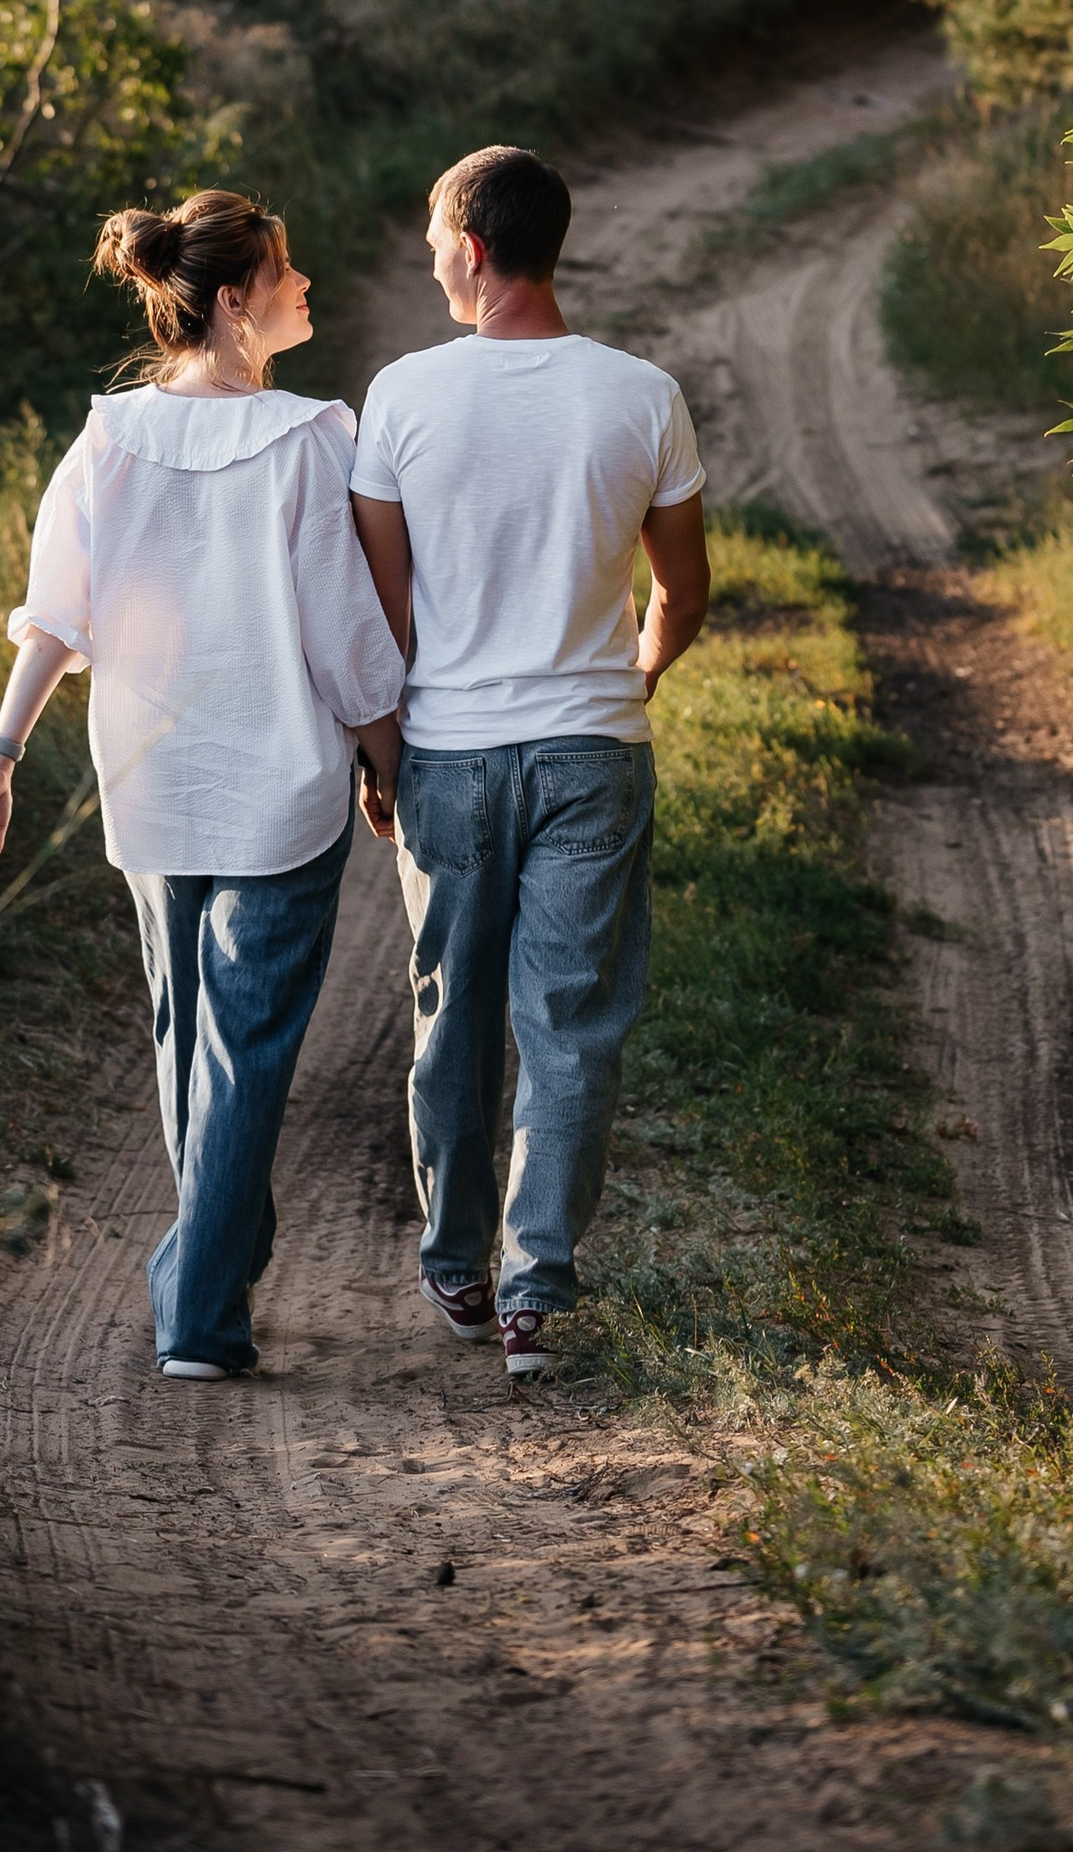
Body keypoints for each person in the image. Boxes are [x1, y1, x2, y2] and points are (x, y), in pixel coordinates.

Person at [0, 190, 404, 1379]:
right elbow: (344, 629)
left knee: (184, 1033)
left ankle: (217, 1251)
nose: (305, 286)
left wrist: (0, 759)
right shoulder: (314, 438)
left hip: (150, 784)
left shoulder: (108, 438)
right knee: (240, 1047)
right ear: (233, 301)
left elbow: (55, 616)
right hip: (280, 788)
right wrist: (388, 755)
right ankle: (202, 1315)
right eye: (287, 271)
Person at [350, 142, 711, 1381]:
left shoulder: (401, 396)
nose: (431, 265)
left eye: (434, 245)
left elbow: (383, 612)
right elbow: (682, 592)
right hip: (590, 752)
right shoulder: (642, 395)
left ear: (473, 248)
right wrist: (636, 673)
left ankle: (454, 1265)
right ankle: (533, 1290)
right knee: (569, 1024)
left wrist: (382, 754)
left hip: (448, 756)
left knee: (452, 1015)